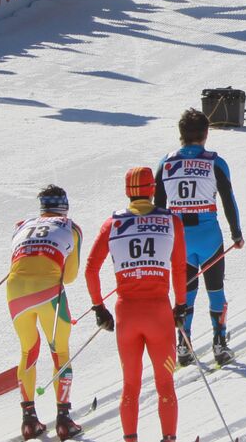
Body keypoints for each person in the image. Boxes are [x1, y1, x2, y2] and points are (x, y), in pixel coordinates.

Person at [85, 168, 187, 442]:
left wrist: (99, 308)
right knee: (165, 383)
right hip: (159, 315)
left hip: (127, 314)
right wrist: (181, 306)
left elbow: (91, 269)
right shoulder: (171, 221)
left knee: (130, 385)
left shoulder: (112, 223)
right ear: (152, 189)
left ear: (127, 191)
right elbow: (179, 269)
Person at [154, 108, 244, 366]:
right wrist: (236, 234)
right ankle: (219, 343)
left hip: (178, 236)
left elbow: (158, 205)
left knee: (186, 293)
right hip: (209, 235)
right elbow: (229, 200)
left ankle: (184, 344)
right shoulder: (215, 162)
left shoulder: (166, 162)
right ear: (206, 134)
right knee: (216, 290)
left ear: (181, 135)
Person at [7, 185, 84, 441]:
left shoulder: (23, 224)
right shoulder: (71, 228)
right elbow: (70, 276)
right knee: (59, 350)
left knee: (28, 350)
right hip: (48, 290)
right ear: (65, 206)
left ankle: (28, 420)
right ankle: (64, 419)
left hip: (16, 288)